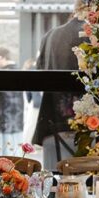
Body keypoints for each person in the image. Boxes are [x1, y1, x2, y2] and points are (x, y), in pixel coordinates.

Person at [33, 16, 84, 168]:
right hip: (91, 125)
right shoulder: (98, 36)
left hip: (53, 120)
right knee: (91, 181)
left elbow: (39, 72)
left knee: (54, 177)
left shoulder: (50, 35)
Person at [0, 46, 25, 155]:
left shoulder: (5, 72)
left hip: (4, 119)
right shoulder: (16, 69)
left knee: (4, 152)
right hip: (13, 119)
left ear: (0, 57)